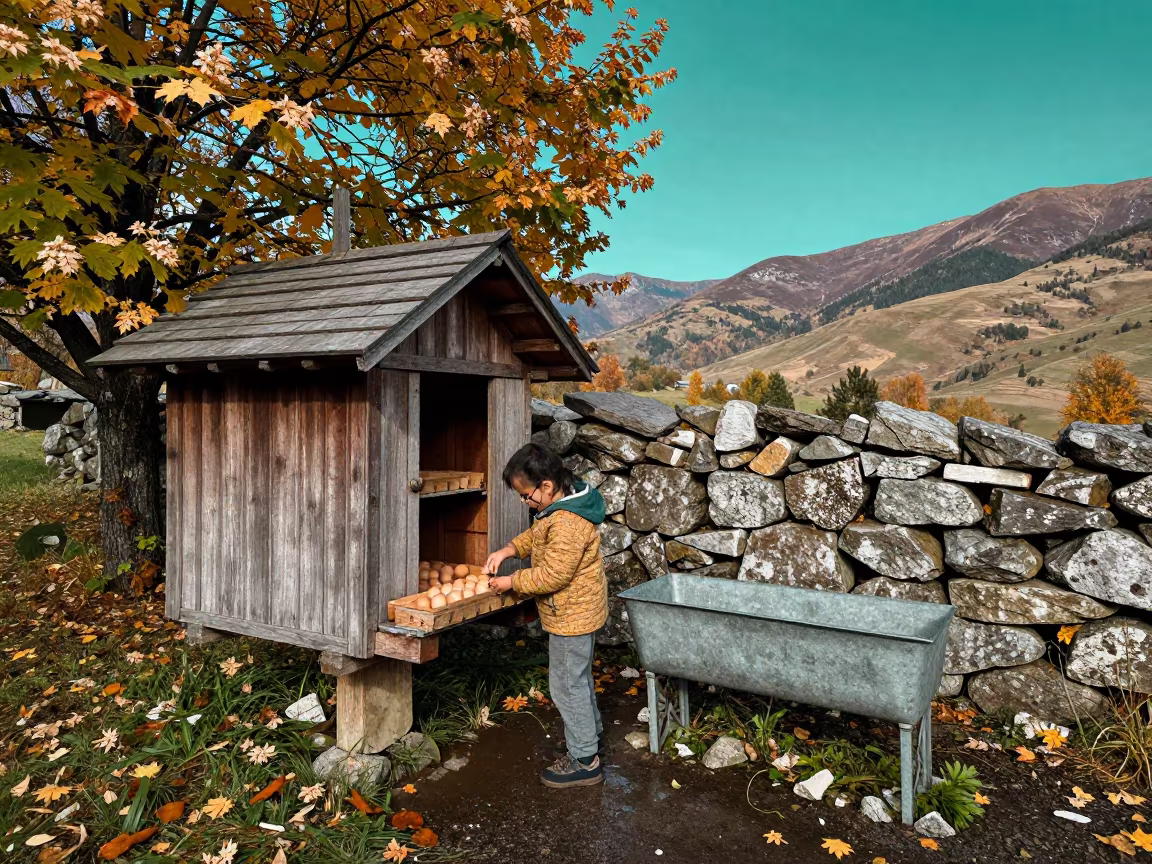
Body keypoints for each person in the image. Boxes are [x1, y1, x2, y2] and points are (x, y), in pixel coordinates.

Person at [484, 442, 608, 788]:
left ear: (547, 486)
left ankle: (585, 760)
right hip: (578, 611)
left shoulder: (568, 522)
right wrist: (510, 549)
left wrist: (512, 581)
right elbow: (540, 533)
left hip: (572, 616)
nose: (526, 503)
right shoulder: (565, 504)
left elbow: (553, 574)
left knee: (566, 685)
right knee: (578, 678)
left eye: (526, 496)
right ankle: (588, 735)